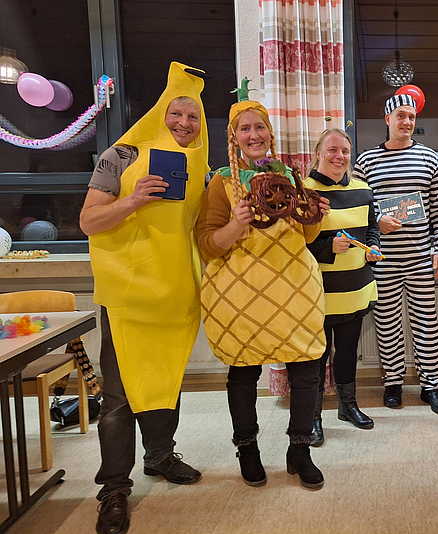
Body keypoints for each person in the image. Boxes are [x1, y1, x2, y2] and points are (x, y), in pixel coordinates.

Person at [80, 62, 208, 534]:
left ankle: (159, 456)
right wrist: (133, 200)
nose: (184, 124)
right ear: (160, 112)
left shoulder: (200, 163)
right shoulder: (121, 155)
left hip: (175, 292)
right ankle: (114, 488)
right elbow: (88, 221)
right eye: (176, 113)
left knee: (165, 380)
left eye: (193, 116)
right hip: (129, 295)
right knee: (118, 395)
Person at [196, 89, 329, 489]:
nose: (253, 135)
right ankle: (248, 449)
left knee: (306, 369)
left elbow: (306, 237)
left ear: (270, 133)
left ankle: (299, 450)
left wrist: (315, 215)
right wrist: (236, 224)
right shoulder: (221, 182)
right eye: (244, 129)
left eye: (259, 127)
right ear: (233, 137)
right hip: (241, 294)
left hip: (293, 288)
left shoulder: (289, 176)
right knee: (243, 372)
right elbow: (207, 245)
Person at [353, 94, 438, 415]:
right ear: (387, 119)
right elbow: (357, 207)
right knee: (386, 322)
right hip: (382, 259)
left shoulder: (430, 158)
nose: (406, 121)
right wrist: (377, 219)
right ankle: (393, 382)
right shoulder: (366, 161)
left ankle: (431, 386)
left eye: (411, 116)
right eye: (400, 115)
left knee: (426, 323)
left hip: (421, 257)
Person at [304, 128, 382, 442]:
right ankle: (312, 417)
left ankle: (348, 406)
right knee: (316, 358)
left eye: (345, 151)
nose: (339, 157)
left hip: (355, 288)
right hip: (318, 292)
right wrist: (327, 248)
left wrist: (374, 247)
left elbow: (372, 227)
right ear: (318, 153)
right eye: (333, 150)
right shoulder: (304, 190)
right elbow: (293, 243)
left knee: (348, 351)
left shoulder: (363, 190)